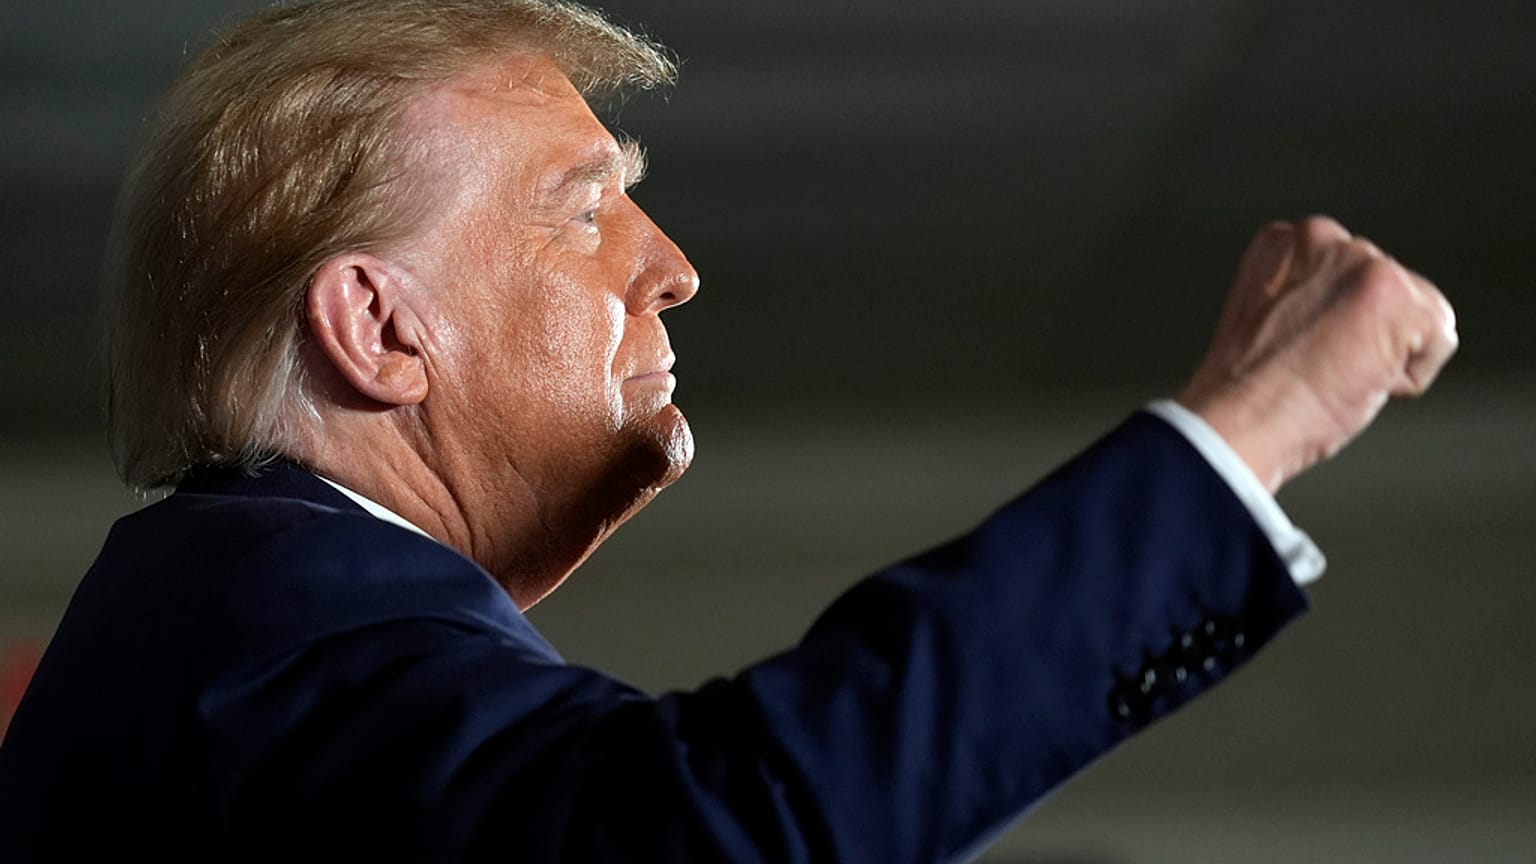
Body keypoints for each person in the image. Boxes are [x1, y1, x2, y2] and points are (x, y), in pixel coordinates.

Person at [0, 0, 1457, 860]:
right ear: (381, 330)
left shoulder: (247, 623)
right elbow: (711, 830)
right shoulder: (265, 622)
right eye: (585, 210)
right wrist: (1259, 419)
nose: (672, 267)